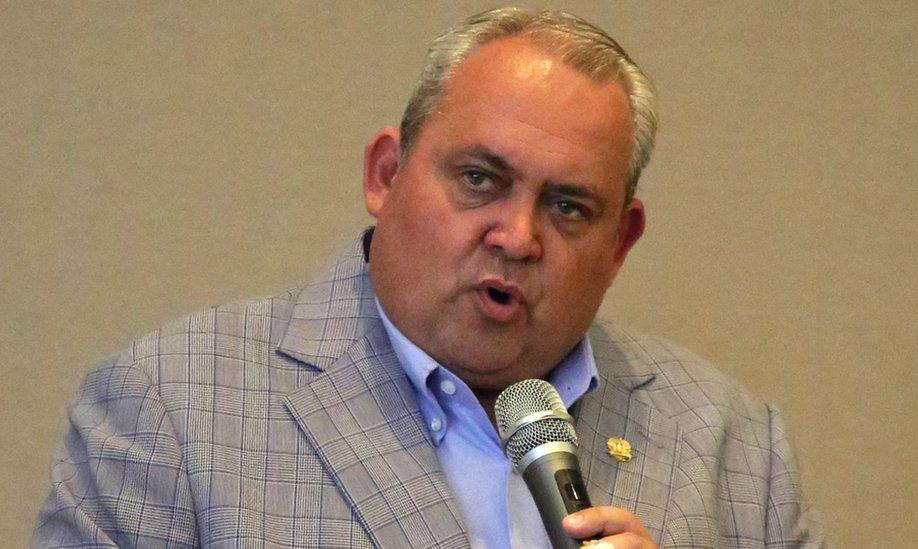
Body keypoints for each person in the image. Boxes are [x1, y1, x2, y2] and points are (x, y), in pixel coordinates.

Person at [34, 7, 823, 548]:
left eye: (569, 206)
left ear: (620, 242)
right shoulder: (173, 406)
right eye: (480, 179)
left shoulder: (733, 450)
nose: (516, 235)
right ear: (386, 173)